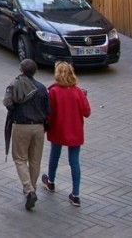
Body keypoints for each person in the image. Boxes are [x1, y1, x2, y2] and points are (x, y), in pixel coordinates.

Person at [4, 58, 51, 211]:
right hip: (38, 128)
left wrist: (15, 111)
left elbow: (7, 103)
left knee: (20, 159)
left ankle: (29, 190)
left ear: (21, 70)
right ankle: (32, 188)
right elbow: (48, 110)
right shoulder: (42, 88)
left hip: (21, 126)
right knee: (35, 160)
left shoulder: (15, 84)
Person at [43, 61, 91, 207]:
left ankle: (51, 181)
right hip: (75, 131)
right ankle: (75, 195)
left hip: (58, 129)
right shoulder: (78, 91)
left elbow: (49, 113)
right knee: (74, 161)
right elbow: (87, 112)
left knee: (54, 155)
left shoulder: (54, 91)